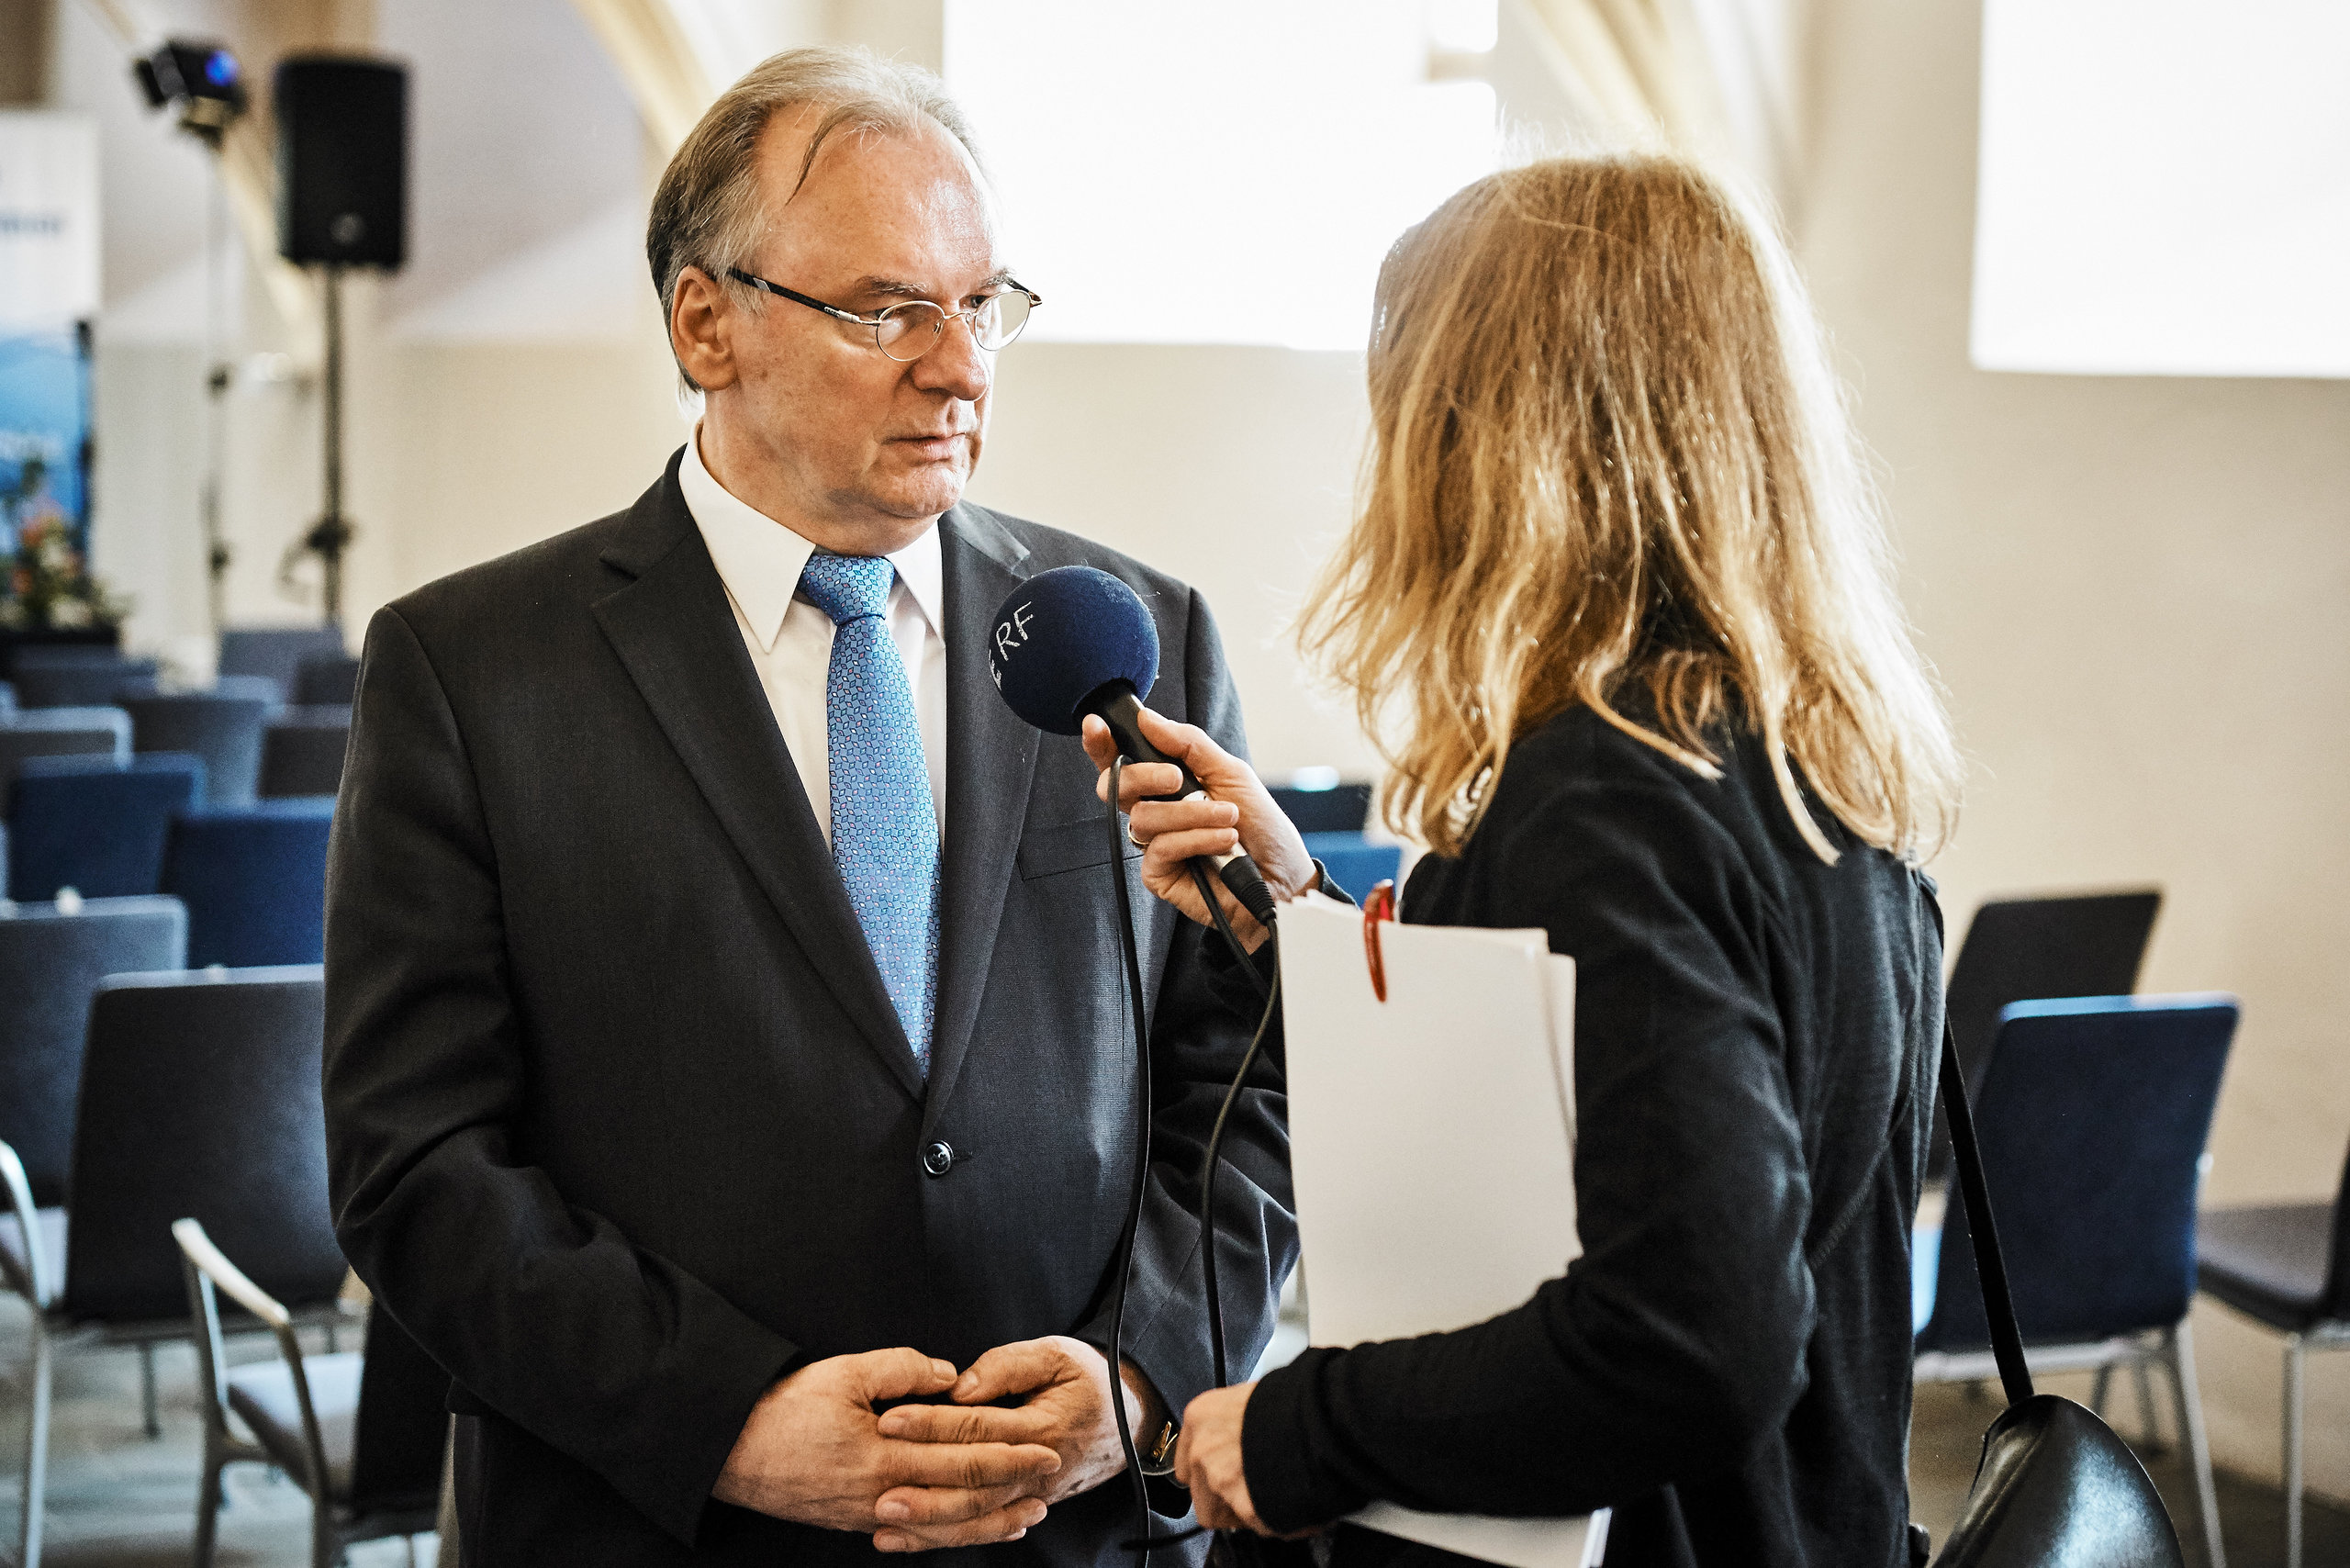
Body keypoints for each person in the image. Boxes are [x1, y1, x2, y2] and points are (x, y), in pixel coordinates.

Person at [322, 48, 1295, 1567]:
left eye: (982, 304)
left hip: (1070, 1530)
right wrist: (725, 1419)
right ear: (705, 323)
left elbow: (1251, 1083)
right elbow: (417, 1165)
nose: (960, 367)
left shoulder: (1130, 638)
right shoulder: (471, 671)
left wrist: (1143, 1372)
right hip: (657, 1526)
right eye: (885, 310)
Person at [1086, 156, 1964, 1567]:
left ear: (1486, 432)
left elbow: (1693, 1339)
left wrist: (1296, 1431)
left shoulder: (1607, 803)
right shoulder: (1803, 767)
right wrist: (1289, 912)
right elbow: (1539, 1120)